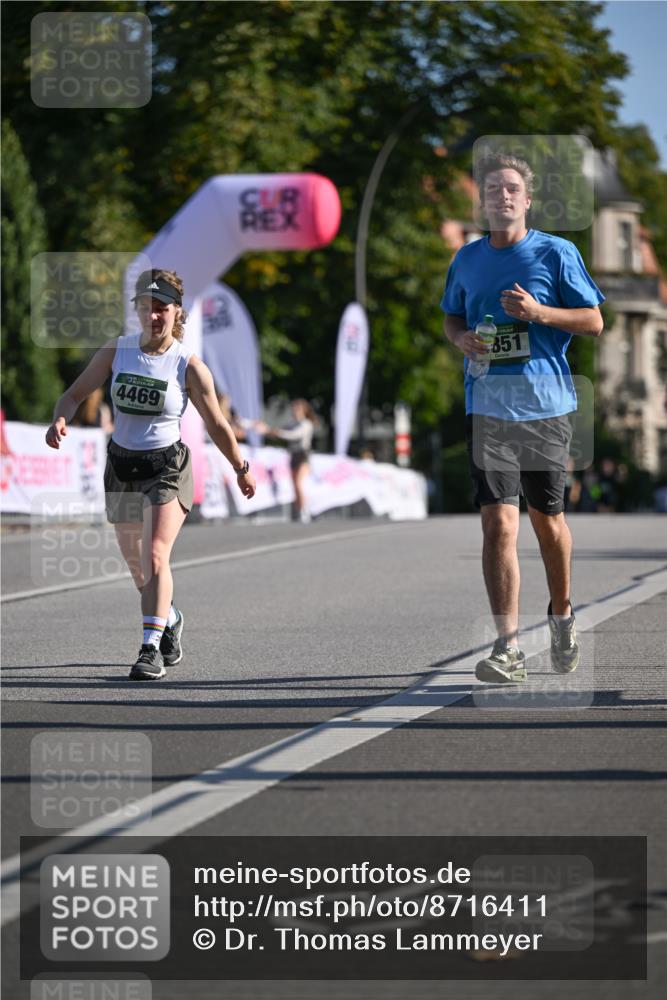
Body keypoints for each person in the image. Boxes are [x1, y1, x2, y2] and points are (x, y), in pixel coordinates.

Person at [46, 269, 256, 681]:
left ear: (177, 312)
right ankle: (169, 618)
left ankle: (149, 649)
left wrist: (240, 469)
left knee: (155, 554)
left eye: (162, 308)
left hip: (166, 468)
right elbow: (73, 395)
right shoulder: (117, 351)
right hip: (122, 467)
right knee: (137, 566)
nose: (153, 316)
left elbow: (216, 424)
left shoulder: (189, 366)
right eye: (146, 308)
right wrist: (59, 419)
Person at [441, 152, 604, 683]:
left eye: (512, 188)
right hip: (487, 406)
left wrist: (539, 314)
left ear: (527, 199)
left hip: (546, 407)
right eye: (493, 190)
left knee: (547, 522)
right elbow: (452, 316)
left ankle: (561, 613)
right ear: (483, 201)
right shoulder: (466, 258)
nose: (502, 196)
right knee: (498, 524)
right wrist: (462, 339)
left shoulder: (557, 253)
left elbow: (594, 320)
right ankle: (508, 647)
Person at [257, 399, 317, 523]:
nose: (295, 412)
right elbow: (275, 431)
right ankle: (299, 509)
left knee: (299, 482)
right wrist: (265, 429)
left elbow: (293, 435)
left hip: (303, 456)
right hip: (293, 456)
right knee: (295, 484)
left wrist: (278, 432)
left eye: (298, 409)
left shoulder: (306, 424)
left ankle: (304, 510)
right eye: (294, 409)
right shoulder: (291, 423)